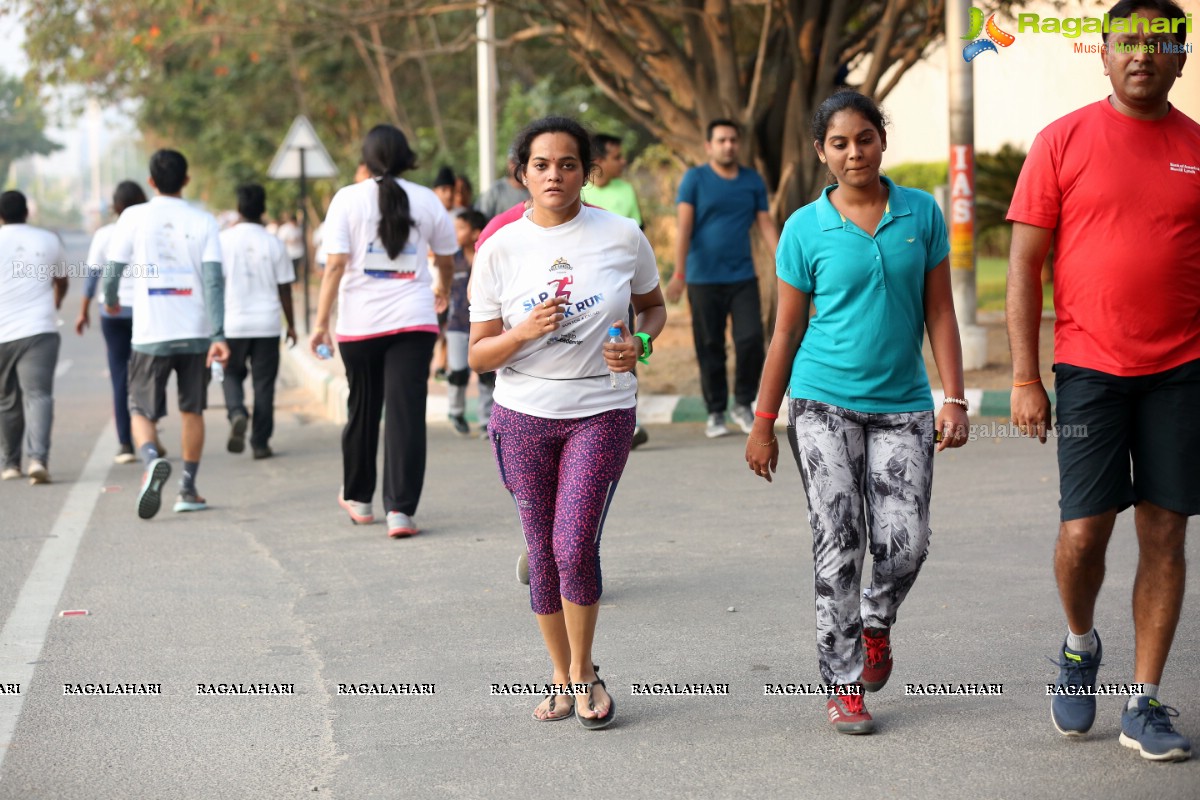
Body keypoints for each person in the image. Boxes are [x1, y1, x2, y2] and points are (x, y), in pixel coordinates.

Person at [1006, 0, 1197, 763]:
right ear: (1105, 54)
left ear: (1181, 59)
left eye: (1159, 43)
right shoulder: (1062, 141)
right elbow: (1023, 265)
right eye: (1128, 42)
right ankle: (1080, 643)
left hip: (1184, 370)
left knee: (1166, 531)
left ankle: (1144, 703)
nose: (1142, 53)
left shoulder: (1195, 147)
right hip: (1089, 368)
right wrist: (1025, 375)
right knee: (1084, 534)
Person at [746, 91, 968, 735]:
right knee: (837, 540)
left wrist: (951, 396)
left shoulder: (920, 213)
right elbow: (785, 333)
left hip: (903, 405)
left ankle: (876, 619)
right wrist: (764, 421)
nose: (854, 152)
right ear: (822, 153)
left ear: (882, 141)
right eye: (839, 143)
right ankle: (842, 681)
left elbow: (940, 313)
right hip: (820, 403)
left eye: (864, 138)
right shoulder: (803, 229)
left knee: (905, 543)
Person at [469, 116, 666, 727]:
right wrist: (522, 331)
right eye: (542, 165)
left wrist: (639, 344)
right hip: (523, 413)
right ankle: (560, 672)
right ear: (521, 173)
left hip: (601, 409)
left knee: (574, 542)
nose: (555, 175)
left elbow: (653, 309)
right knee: (542, 549)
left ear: (588, 170)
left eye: (568, 164)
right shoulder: (499, 248)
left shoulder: (622, 234)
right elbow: (478, 354)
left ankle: (585, 671)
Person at [310, 124, 456, 539]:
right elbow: (446, 258)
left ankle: (358, 499)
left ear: (367, 158)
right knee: (406, 414)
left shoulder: (347, 199)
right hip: (414, 322)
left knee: (364, 408)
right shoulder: (427, 200)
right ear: (407, 156)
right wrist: (441, 288)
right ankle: (401, 512)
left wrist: (321, 324)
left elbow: (335, 265)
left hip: (360, 325)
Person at [103, 149, 228, 518]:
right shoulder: (204, 221)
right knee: (193, 410)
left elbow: (113, 270)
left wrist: (110, 300)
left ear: (151, 181)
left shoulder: (133, 217)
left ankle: (152, 459)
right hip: (195, 333)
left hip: (150, 333)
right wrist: (218, 333)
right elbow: (213, 282)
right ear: (186, 180)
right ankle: (187, 489)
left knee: (140, 407)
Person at [668, 119, 779, 439]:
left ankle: (743, 403)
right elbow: (684, 228)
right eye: (721, 140)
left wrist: (787, 262)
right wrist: (679, 273)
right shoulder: (695, 179)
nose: (728, 145)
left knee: (750, 340)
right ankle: (715, 411)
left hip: (742, 275)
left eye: (733, 140)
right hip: (703, 279)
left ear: (738, 144)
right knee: (710, 345)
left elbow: (765, 224)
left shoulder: (751, 180)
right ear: (709, 146)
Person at [219, 183, 297, 460]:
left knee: (230, 373)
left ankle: (237, 412)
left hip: (233, 323)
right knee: (264, 385)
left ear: (238, 208)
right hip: (267, 324)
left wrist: (212, 326)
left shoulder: (223, 241)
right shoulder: (273, 242)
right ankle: (261, 443)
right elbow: (285, 289)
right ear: (263, 209)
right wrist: (292, 325)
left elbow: (214, 285)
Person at [583, 132, 650, 450]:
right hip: (580, 290)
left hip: (615, 291)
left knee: (622, 347)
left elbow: (637, 237)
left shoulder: (626, 190)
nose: (623, 162)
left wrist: (643, 344)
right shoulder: (576, 193)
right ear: (597, 163)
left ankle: (628, 418)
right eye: (617, 156)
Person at [76, 181, 148, 464]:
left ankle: (125, 444)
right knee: (147, 374)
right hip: (145, 312)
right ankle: (150, 436)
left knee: (120, 376)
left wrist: (84, 310)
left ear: (116, 206)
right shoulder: (147, 232)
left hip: (114, 313)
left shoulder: (105, 234)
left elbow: (94, 276)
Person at [0, 191, 67, 485]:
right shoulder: (48, 240)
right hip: (39, 330)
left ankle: (11, 464)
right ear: (27, 212)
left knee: (6, 400)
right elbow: (62, 280)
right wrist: (55, 304)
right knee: (38, 395)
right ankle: (38, 459)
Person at [445, 209, 494, 437]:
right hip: (456, 324)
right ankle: (456, 411)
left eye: (461, 228)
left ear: (476, 233)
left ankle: (486, 419)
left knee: (486, 373)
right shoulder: (450, 259)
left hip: (484, 323)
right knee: (458, 372)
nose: (456, 233)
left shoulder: (487, 257)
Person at [476, 153, 530, 220]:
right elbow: (479, 220)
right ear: (508, 162)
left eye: (523, 162)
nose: (518, 166)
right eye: (515, 161)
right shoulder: (496, 190)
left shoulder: (537, 191)